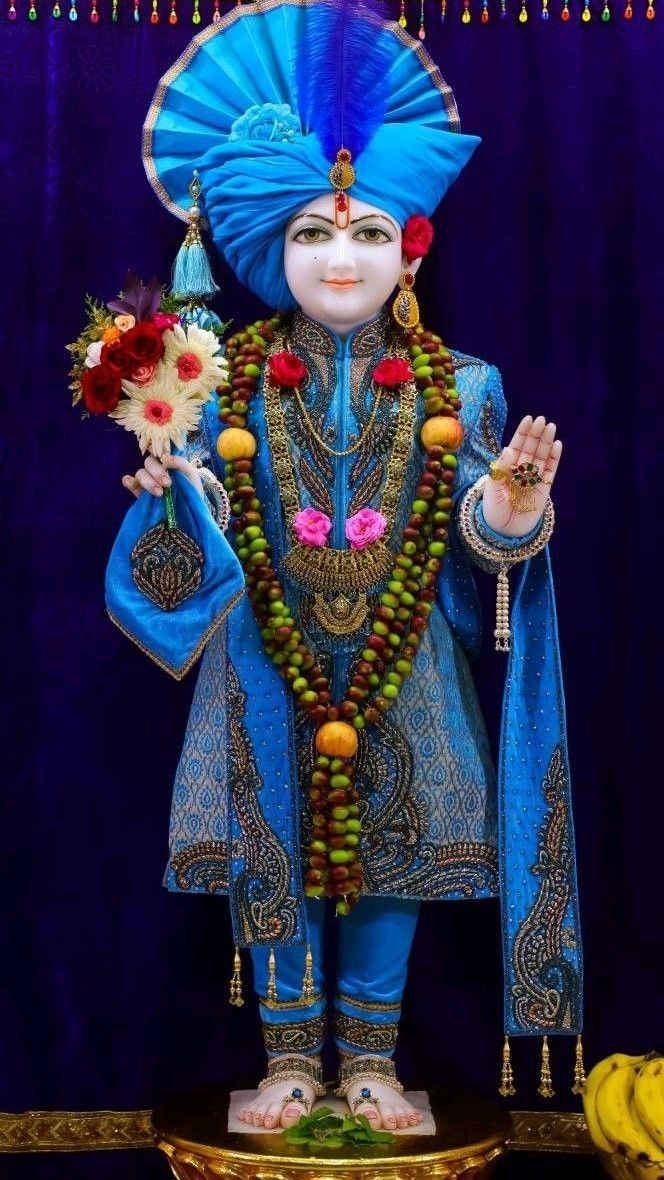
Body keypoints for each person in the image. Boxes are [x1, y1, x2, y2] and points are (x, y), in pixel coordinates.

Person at [108, 0, 582, 1134]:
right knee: (269, 839)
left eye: (370, 233)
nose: (340, 256)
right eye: (316, 234)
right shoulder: (218, 373)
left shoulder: (461, 386)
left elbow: (480, 543)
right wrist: (174, 490)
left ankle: (369, 1059)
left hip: (403, 658)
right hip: (264, 661)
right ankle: (282, 1061)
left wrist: (510, 505)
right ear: (274, 251)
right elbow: (210, 515)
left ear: (408, 250)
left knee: (394, 851)